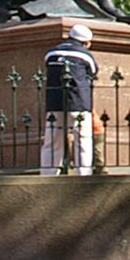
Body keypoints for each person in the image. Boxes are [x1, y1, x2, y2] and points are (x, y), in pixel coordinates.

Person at [41, 24, 99, 176]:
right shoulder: (85, 55)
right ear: (86, 42)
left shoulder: (51, 53)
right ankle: (83, 175)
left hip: (54, 103)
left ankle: (48, 174)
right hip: (78, 102)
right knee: (83, 139)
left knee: (52, 141)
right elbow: (93, 72)